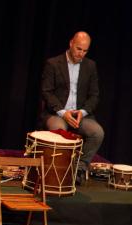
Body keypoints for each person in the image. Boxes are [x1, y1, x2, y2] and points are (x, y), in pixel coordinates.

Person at [40, 31, 104, 184]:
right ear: (71, 43)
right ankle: (58, 171)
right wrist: (63, 113)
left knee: (97, 133)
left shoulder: (90, 66)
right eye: (78, 49)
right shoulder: (53, 63)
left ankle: (78, 169)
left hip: (80, 115)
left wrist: (82, 112)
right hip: (57, 113)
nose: (81, 53)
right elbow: (46, 92)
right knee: (60, 132)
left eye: (85, 50)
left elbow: (94, 95)